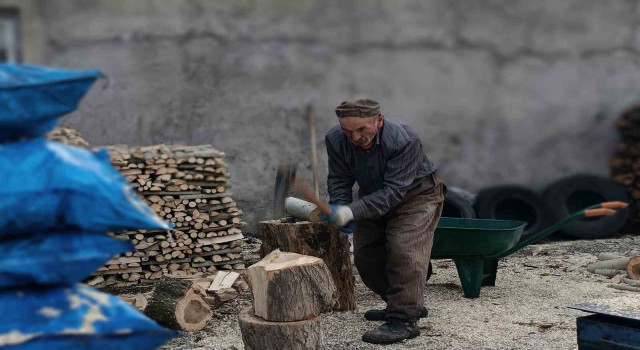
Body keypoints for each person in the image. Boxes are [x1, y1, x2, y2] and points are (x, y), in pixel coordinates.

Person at [325, 98, 445, 345]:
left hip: (415, 195)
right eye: (348, 131)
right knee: (366, 257)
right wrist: (339, 204)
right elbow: (339, 177)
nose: (355, 137)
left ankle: (403, 320)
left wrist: (352, 211)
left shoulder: (403, 140)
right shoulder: (336, 139)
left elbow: (394, 192)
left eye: (362, 129)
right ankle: (402, 302)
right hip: (372, 195)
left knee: (404, 250)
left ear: (379, 120)